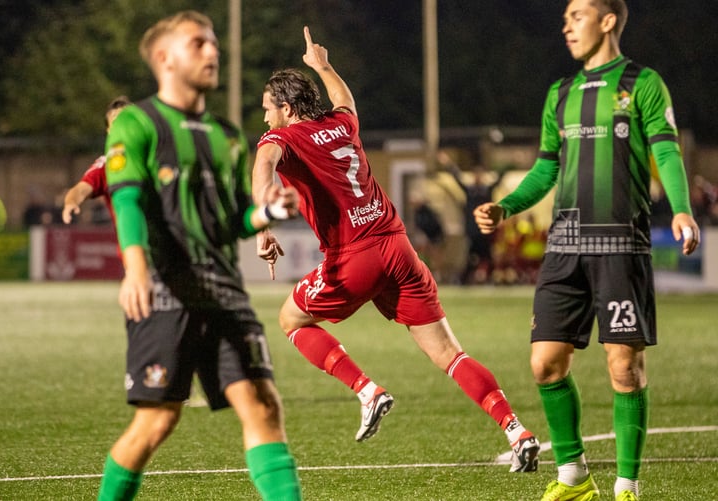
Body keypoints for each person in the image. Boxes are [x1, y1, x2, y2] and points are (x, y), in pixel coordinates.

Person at [251, 26, 540, 474]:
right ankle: (516, 430)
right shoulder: (342, 124)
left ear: (285, 109)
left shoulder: (282, 139)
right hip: (399, 249)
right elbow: (345, 99)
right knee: (450, 354)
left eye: (267, 109)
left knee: (291, 318)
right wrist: (323, 66)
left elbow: (263, 168)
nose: (264, 118)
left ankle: (367, 390)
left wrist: (263, 219)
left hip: (353, 257)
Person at [473, 1, 700, 500]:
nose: (566, 25)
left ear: (609, 20)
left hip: (621, 240)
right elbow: (546, 168)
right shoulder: (561, 93)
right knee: (545, 363)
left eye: (578, 15)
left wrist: (681, 209)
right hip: (565, 243)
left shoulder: (641, 82)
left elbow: (666, 148)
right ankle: (575, 477)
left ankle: (626, 486)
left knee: (624, 366)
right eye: (566, 17)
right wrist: (506, 206)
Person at [98, 11, 302, 501]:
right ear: (165, 58)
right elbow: (125, 197)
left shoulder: (227, 134)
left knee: (262, 404)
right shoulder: (136, 122)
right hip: (168, 288)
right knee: (157, 420)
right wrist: (136, 268)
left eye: (213, 43)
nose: (213, 51)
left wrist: (265, 212)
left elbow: (232, 219)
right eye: (198, 44)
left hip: (225, 289)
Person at [62, 96, 131, 226]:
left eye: (127, 120)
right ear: (109, 131)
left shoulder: (156, 155)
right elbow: (81, 189)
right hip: (131, 245)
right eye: (117, 122)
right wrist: (71, 202)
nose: (122, 126)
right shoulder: (107, 165)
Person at [440, 152, 506, 284]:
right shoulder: (470, 191)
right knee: (471, 257)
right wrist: (448, 164)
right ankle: (464, 280)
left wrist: (506, 165)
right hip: (473, 230)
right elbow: (457, 178)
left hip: (485, 230)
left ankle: (490, 278)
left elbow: (498, 181)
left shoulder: (486, 191)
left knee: (487, 256)